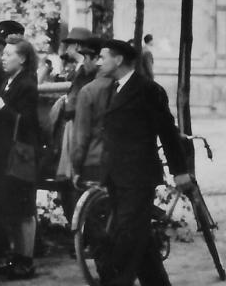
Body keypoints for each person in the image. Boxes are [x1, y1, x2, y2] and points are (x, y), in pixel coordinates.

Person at [98, 38, 191, 286]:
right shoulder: (112, 89)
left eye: (102, 56)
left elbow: (168, 132)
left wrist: (179, 171)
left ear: (118, 60)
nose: (99, 61)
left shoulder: (148, 90)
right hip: (117, 177)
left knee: (126, 237)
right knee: (139, 237)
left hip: (138, 177)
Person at [0, 34, 39, 279]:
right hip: (6, 153)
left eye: (9, 55)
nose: (3, 58)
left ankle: (26, 259)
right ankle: (16, 256)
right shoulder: (8, 81)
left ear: (22, 59)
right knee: (12, 208)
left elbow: (28, 122)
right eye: (3, 53)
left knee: (23, 210)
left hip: (19, 155)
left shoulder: (27, 84)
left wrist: (3, 109)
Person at [54, 28, 102, 220]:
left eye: (79, 46)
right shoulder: (80, 71)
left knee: (78, 182)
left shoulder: (96, 77)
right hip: (74, 130)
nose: (75, 49)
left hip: (85, 134)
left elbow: (77, 105)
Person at [70, 43, 115, 187]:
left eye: (86, 58)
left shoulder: (88, 91)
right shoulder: (126, 89)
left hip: (93, 161)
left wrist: (76, 167)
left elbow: (81, 136)